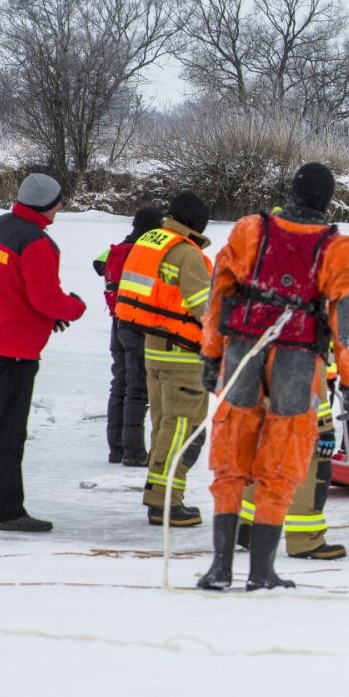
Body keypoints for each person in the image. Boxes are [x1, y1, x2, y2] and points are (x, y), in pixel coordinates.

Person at [196, 163, 349, 591]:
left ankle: (220, 568)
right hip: (296, 359)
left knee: (231, 456)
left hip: (241, 351)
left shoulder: (251, 230)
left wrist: (211, 355)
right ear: (327, 200)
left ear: (291, 192)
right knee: (283, 459)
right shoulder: (336, 247)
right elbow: (346, 319)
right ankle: (261, 572)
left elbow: (220, 292)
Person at [0, 172, 87, 532]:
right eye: (58, 201)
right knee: (10, 433)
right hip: (14, 349)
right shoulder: (37, 242)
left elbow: (12, 287)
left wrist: (46, 317)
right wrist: (73, 308)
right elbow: (44, 297)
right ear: (47, 204)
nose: (61, 207)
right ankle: (8, 512)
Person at [114, 192, 213, 528]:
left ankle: (161, 494)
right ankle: (166, 501)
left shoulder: (150, 241)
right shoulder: (187, 253)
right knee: (182, 430)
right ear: (197, 222)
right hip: (183, 355)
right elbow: (206, 309)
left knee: (164, 426)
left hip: (154, 349)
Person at [237, 360, 346, 560]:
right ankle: (305, 540)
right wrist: (324, 429)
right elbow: (314, 389)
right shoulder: (308, 335)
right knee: (313, 470)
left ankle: (247, 528)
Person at [93, 206, 162, 466]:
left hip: (117, 323)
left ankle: (116, 449)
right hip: (137, 325)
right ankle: (134, 453)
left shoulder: (118, 248)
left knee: (119, 385)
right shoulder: (145, 252)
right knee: (137, 389)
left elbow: (98, 264)